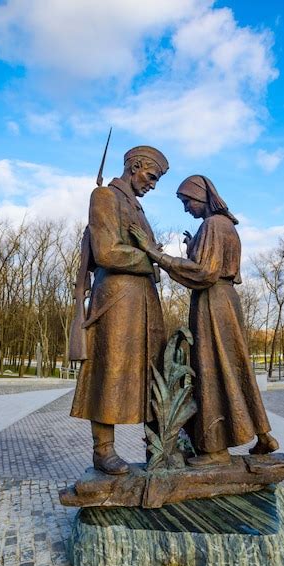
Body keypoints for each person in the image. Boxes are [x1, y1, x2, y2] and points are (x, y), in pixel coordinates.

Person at [129, 175, 279, 467]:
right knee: (234, 368)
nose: (186, 209)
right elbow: (210, 263)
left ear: (201, 196)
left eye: (187, 202)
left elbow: (205, 273)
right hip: (224, 301)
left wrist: (155, 254)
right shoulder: (225, 225)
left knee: (211, 370)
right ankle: (263, 435)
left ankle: (216, 450)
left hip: (213, 302)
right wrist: (193, 247)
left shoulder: (212, 224)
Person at [70, 146, 168, 474]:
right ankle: (103, 450)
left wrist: (152, 256)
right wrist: (152, 257)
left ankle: (158, 449)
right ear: (134, 166)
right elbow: (108, 252)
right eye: (151, 176)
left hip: (143, 300)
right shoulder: (104, 196)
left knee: (152, 371)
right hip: (116, 299)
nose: (153, 184)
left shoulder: (136, 207)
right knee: (110, 370)